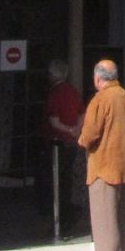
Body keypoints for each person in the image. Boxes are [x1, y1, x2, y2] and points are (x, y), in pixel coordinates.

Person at [77, 58, 125, 251]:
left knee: (105, 225)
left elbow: (89, 134)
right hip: (123, 168)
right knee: (119, 223)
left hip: (103, 169)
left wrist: (81, 140)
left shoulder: (101, 99)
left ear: (97, 78)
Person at [44, 58, 82, 236]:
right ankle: (68, 214)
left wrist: (67, 130)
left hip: (58, 144)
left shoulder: (55, 93)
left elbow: (53, 121)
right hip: (72, 142)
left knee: (57, 182)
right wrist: (76, 130)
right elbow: (82, 113)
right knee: (68, 179)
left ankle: (61, 217)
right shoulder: (73, 91)